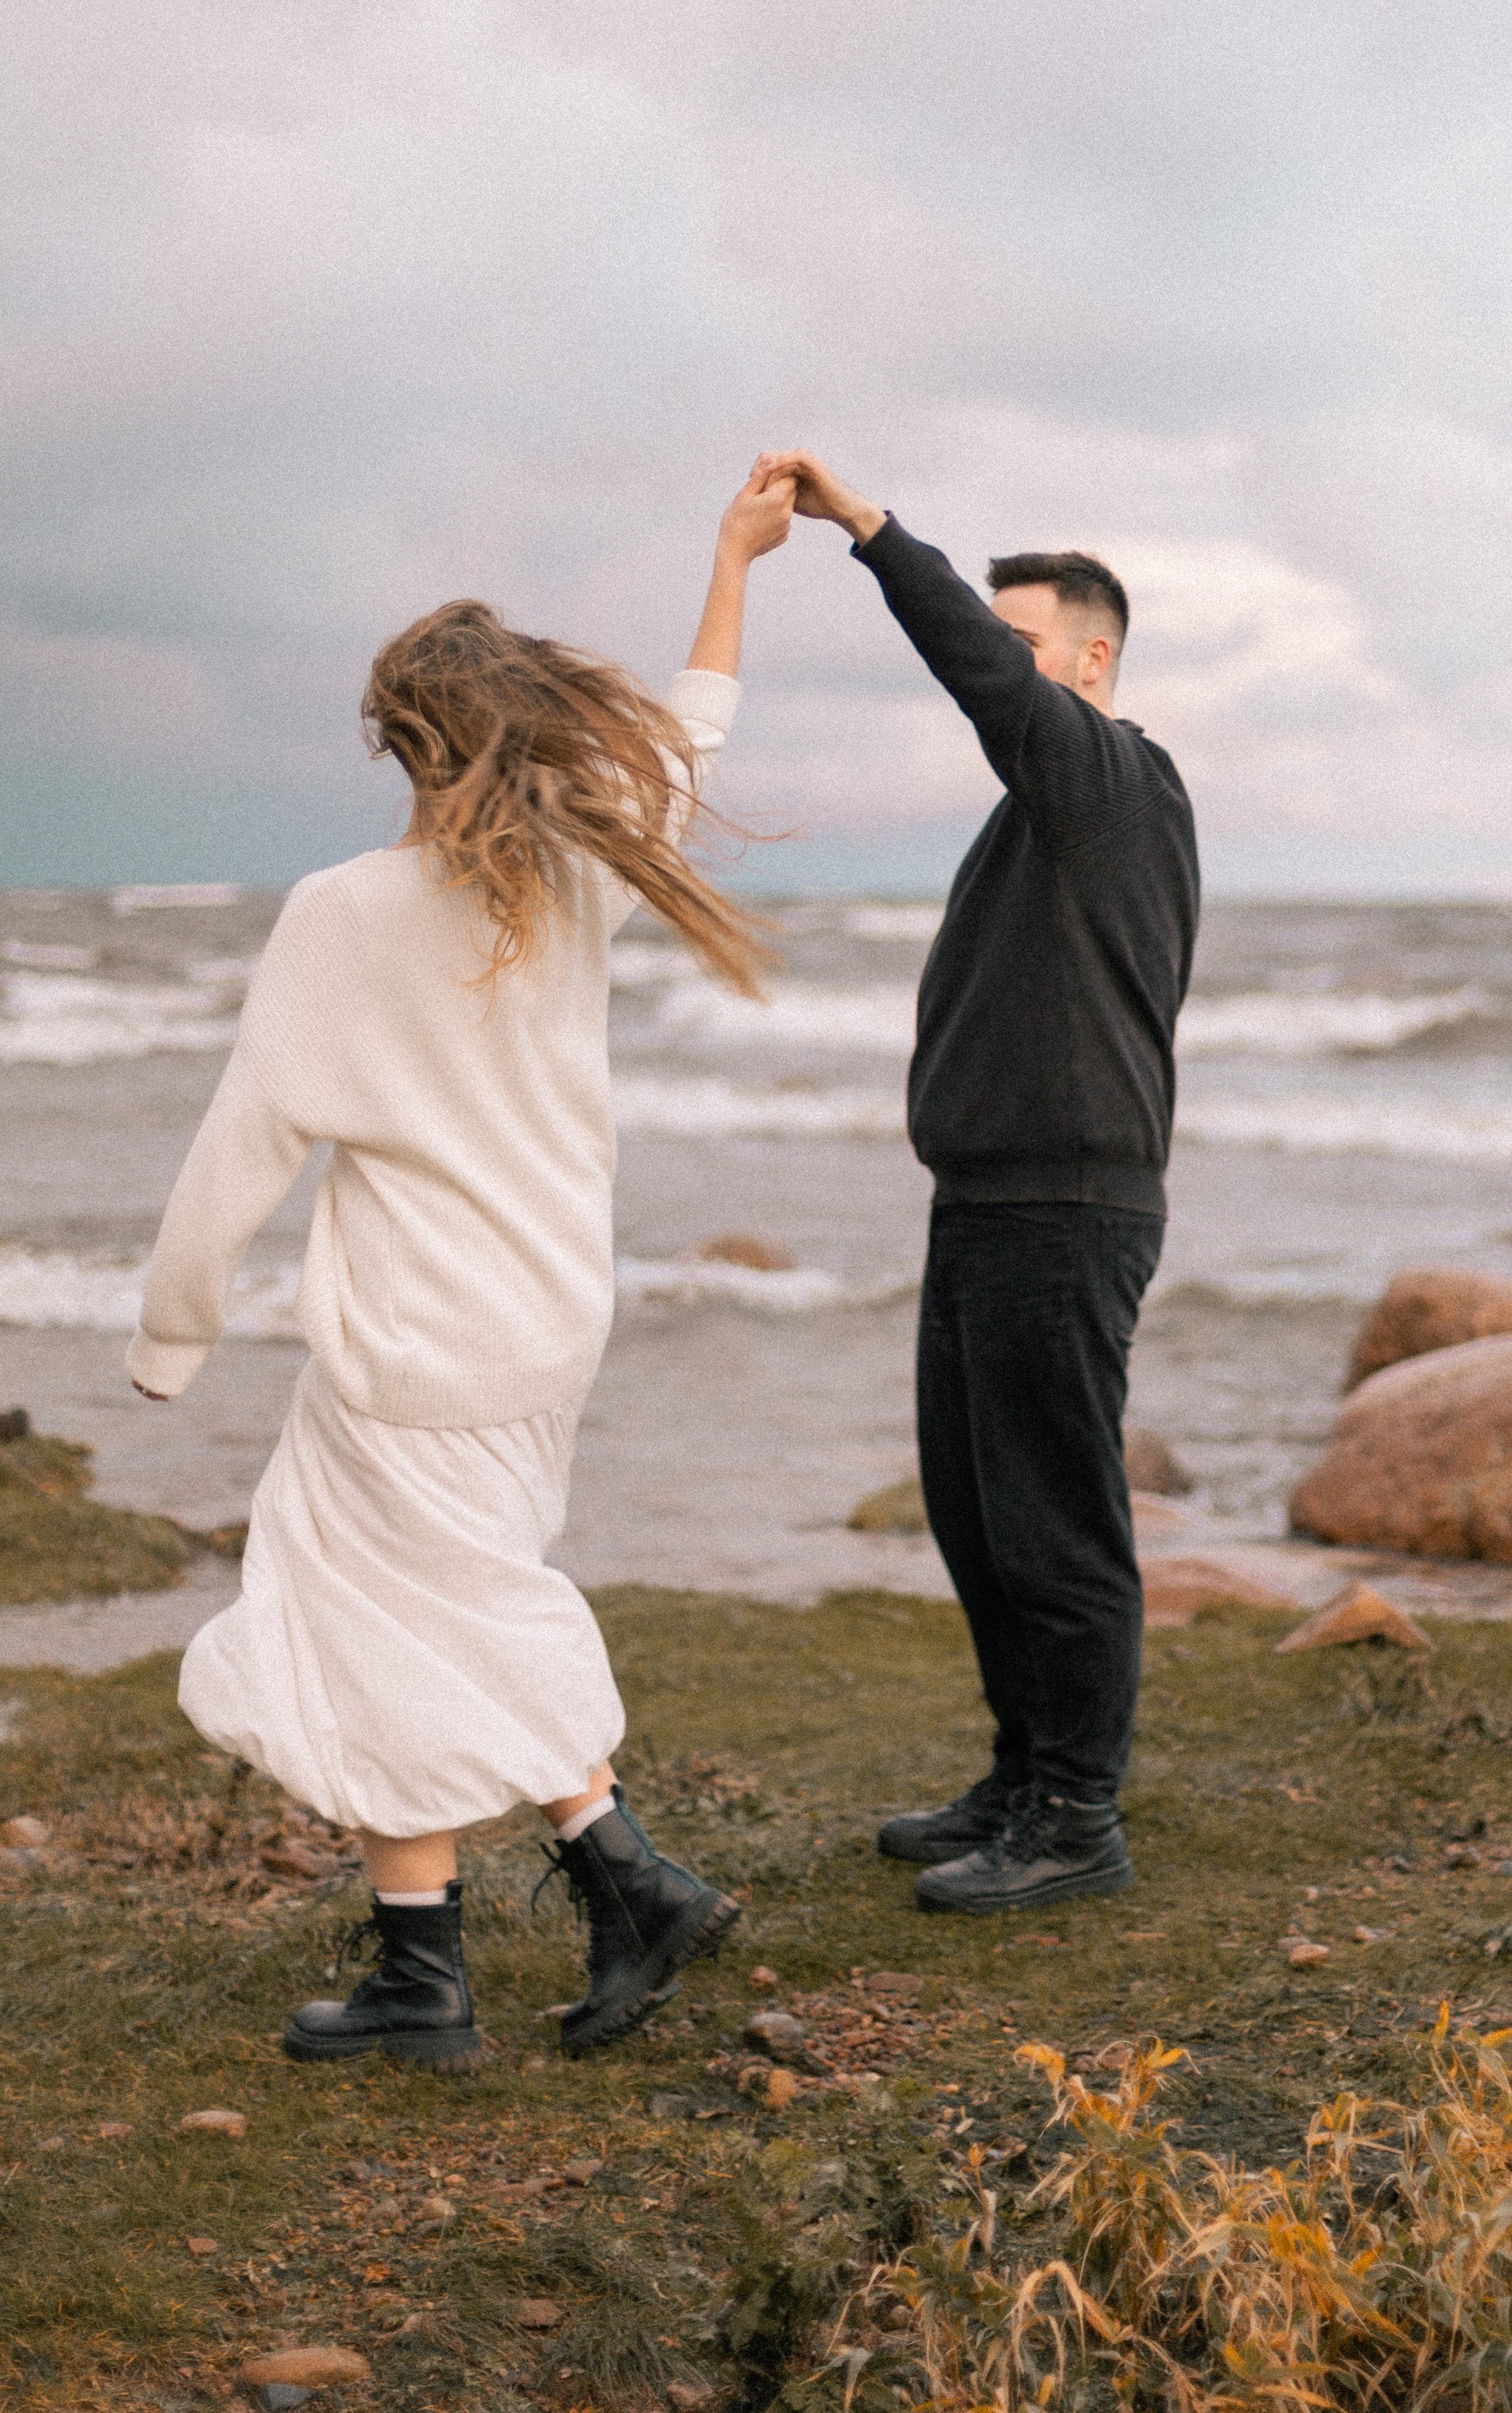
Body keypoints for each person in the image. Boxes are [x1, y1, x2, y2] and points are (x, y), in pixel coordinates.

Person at [127, 467, 795, 2067]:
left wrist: (171, 1332)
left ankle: (613, 1880)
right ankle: (428, 1969)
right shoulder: (580, 873)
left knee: (401, 1604)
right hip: (549, 1329)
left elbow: (248, 1137)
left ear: (394, 740)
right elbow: (692, 733)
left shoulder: (341, 912)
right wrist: (731, 562)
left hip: (417, 1351)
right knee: (402, 1612)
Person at [756, 449, 1200, 1914]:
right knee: (976, 1509)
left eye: (1024, 647)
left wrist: (871, 532)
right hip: (989, 1202)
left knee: (1058, 1523)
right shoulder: (1040, 807)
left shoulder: (1112, 777)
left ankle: (1079, 1818)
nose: (999, 673)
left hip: (1067, 1208)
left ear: (1093, 659)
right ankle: (1024, 1774)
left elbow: (983, 679)